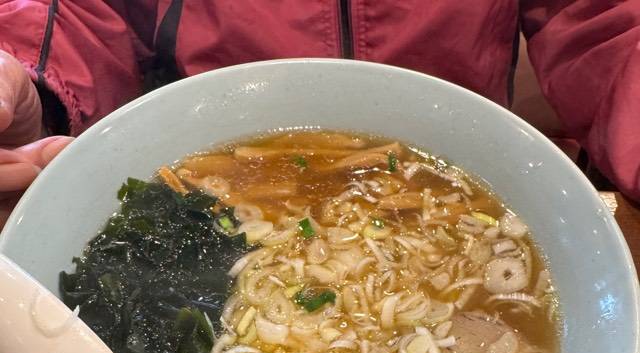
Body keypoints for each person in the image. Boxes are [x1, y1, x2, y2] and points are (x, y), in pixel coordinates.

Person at [0, 0, 639, 226]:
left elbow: (611, 22)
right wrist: (29, 80)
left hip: (462, 182)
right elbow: (75, 11)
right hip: (205, 184)